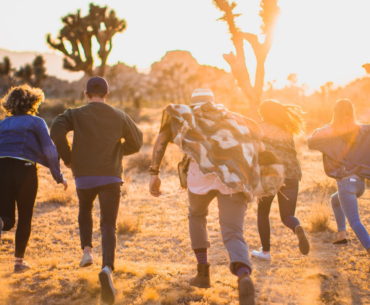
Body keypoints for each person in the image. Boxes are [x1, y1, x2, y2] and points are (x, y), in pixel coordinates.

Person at [149, 89, 284, 305]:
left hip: (199, 177)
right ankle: (243, 275)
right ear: (214, 102)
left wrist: (154, 173)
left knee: (197, 216)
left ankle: (203, 274)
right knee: (232, 232)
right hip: (233, 176)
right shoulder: (235, 119)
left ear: (193, 104)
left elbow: (162, 137)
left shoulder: (188, 116)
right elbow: (258, 141)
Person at [50, 76, 143, 305]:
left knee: (85, 209)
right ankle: (107, 268)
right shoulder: (119, 115)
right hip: (111, 175)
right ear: (107, 95)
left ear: (86, 94)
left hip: (84, 176)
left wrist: (69, 157)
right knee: (108, 224)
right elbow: (138, 141)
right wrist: (119, 150)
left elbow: (55, 130)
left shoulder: (74, 114)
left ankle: (87, 252)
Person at [0, 85, 67, 272]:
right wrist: (59, 177)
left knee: (6, 219)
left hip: (2, 169)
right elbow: (49, 151)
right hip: (25, 170)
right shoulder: (36, 122)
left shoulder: (2, 124)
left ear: (10, 103)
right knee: (24, 217)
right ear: (33, 102)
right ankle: (18, 263)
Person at [307, 99, 370, 254]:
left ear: (335, 113)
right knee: (335, 201)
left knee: (355, 221)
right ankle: (342, 236)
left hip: (346, 183)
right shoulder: (362, 129)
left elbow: (310, 141)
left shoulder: (331, 132)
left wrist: (330, 125)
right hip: (360, 184)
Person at [251, 100, 310, 260]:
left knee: (263, 213)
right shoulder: (286, 130)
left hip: (270, 174)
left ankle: (265, 252)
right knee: (287, 215)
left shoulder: (259, 128)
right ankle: (296, 226)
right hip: (291, 173)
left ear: (263, 113)